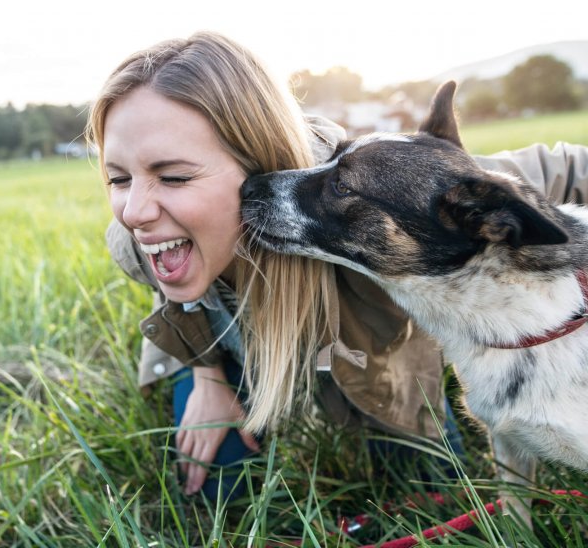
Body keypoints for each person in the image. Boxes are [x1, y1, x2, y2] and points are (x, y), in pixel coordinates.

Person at [86, 31, 588, 499]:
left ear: (256, 158)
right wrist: (206, 377)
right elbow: (172, 286)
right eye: (117, 179)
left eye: (172, 176)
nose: (134, 212)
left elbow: (551, 170)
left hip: (371, 368)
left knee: (426, 486)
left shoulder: (370, 196)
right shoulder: (136, 238)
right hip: (237, 347)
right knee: (219, 486)